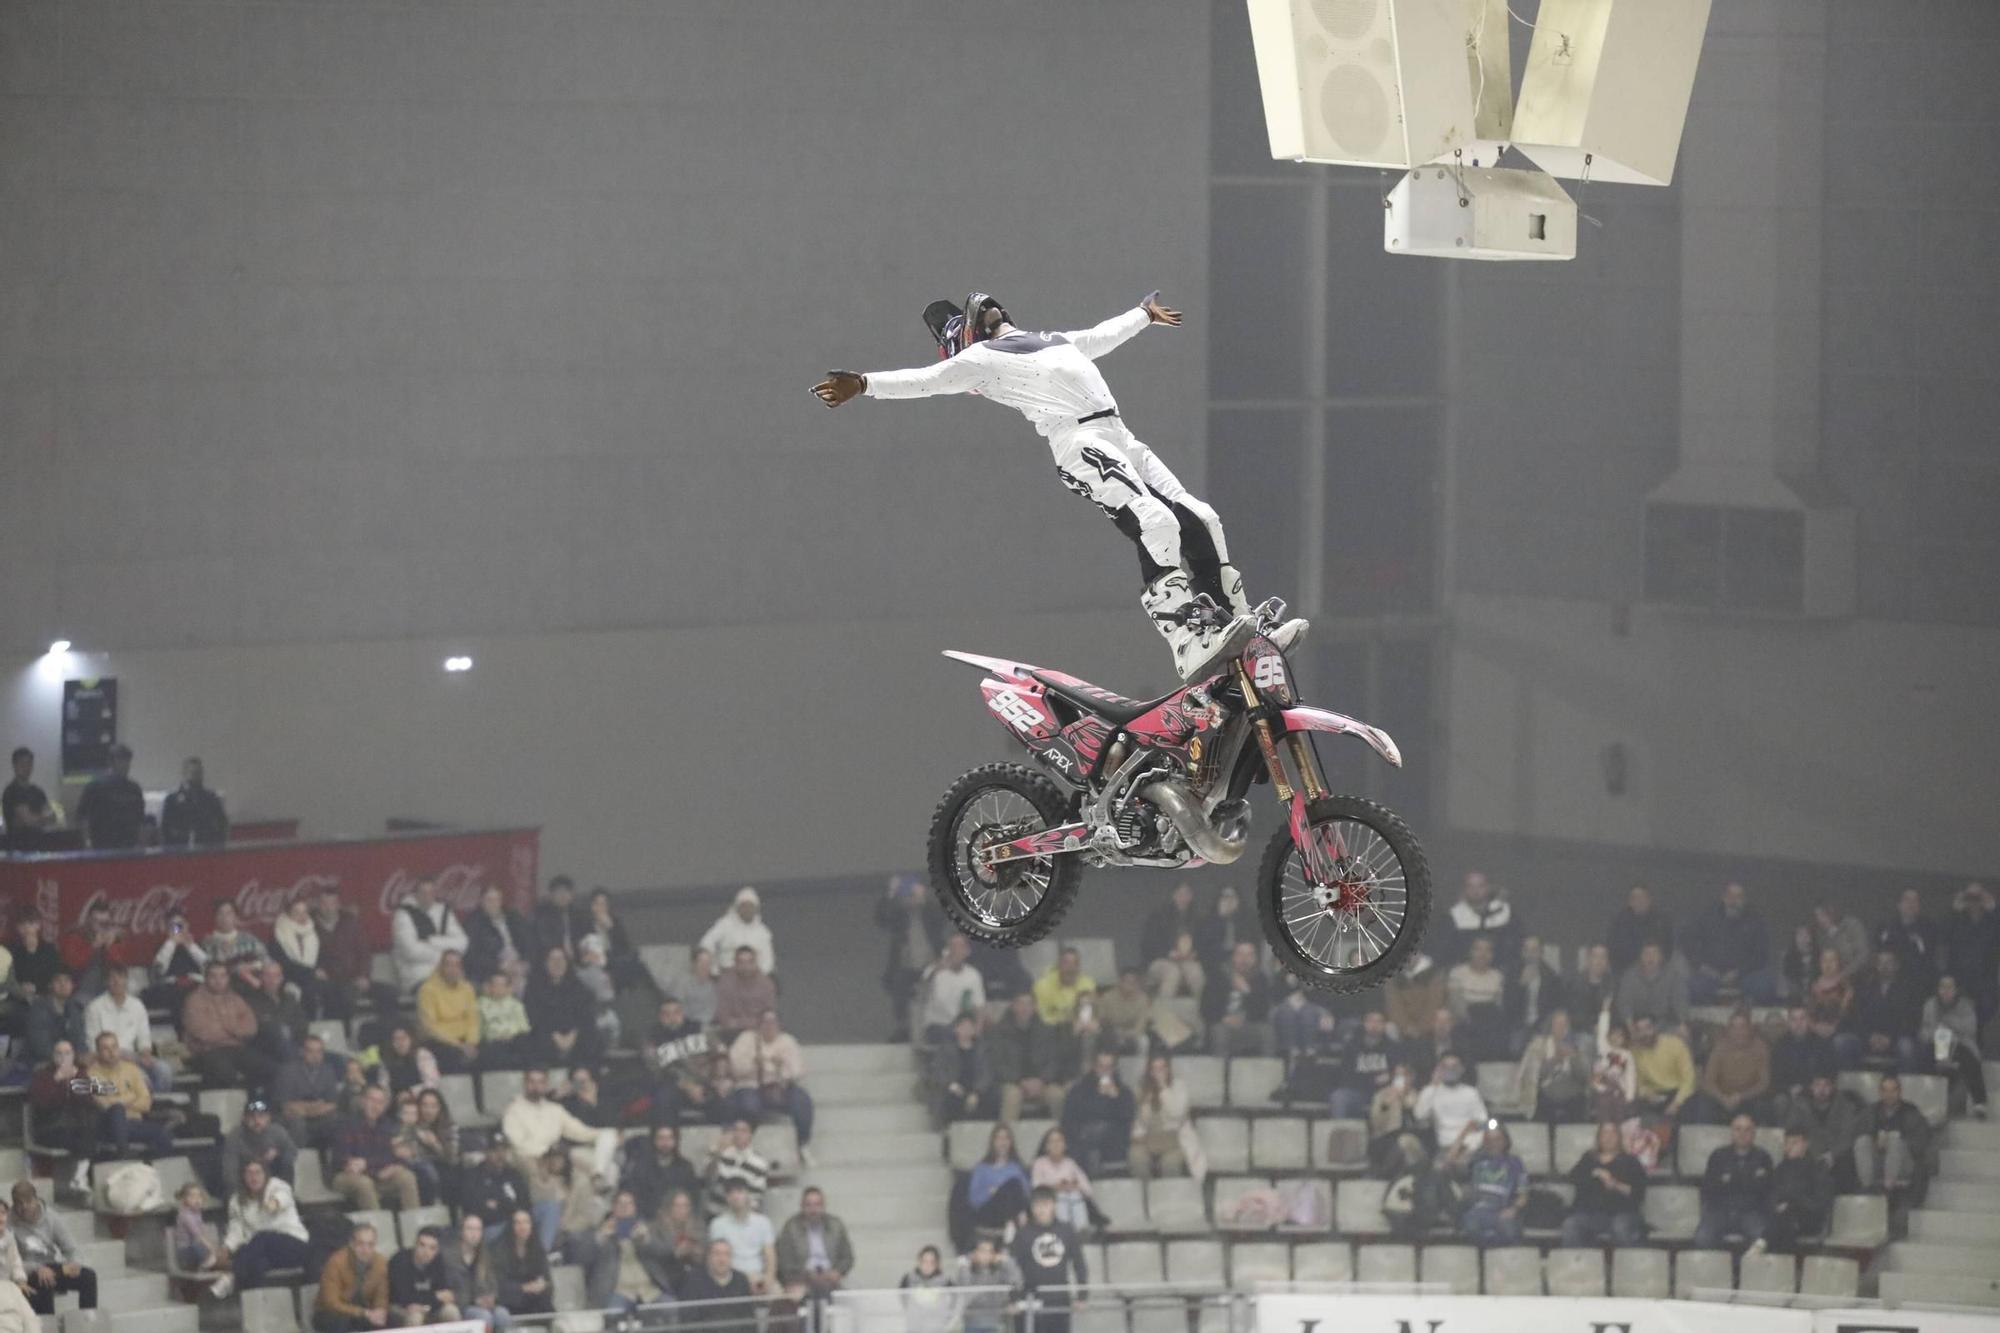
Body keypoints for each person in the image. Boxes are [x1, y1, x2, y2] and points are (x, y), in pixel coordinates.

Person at [814, 291, 1301, 679]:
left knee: (1200, 517)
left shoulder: (1050, 340)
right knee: (1154, 520)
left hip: (1118, 433)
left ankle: (1242, 627)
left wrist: (1141, 315)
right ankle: (1185, 638)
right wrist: (864, 382)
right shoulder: (978, 360)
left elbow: (1098, 337)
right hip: (1079, 440)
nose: (987, 309)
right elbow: (927, 379)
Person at [724, 1009, 816, 1165]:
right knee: (749, 1106)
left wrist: (781, 1067)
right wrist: (753, 1063)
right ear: (758, 1024)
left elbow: (798, 1070)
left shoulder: (787, 1041)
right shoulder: (746, 1039)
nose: (768, 1026)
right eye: (765, 1022)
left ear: (779, 1024)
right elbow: (734, 1067)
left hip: (780, 1087)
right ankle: (745, 1147)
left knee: (803, 1102)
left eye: (772, 1022)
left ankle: (802, 1144)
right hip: (751, 1085)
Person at [501, 1068, 615, 1185]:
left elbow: (579, 1131)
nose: (536, 1086)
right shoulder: (513, 1110)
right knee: (540, 1172)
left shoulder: (554, 1109)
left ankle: (598, 1178)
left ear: (546, 1085)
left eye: (541, 1082)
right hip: (531, 1158)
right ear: (525, 1083)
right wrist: (547, 1154)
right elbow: (517, 1143)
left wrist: (603, 1134)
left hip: (558, 1158)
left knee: (606, 1170)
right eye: (532, 1082)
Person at [179, 960, 277, 1089]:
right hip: (206, 1051)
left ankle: (256, 1105)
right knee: (225, 1073)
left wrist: (226, 1028)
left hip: (237, 1048)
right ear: (206, 978)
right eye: (213, 976)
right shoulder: (194, 1000)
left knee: (271, 1069)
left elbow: (251, 1027)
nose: (218, 980)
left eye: (222, 976)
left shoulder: (236, 999)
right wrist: (235, 1030)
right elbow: (203, 1033)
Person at [1682, 881, 1778, 1004]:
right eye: (1730, 896)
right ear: (1724, 898)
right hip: (1711, 974)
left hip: (1746, 974)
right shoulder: (1707, 918)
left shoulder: (1755, 921)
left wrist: (1739, 972)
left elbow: (1761, 955)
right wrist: (1702, 966)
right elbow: (1688, 942)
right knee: (1693, 987)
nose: (1734, 901)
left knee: (1764, 987)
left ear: (1744, 900)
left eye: (1739, 897)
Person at [875, 875, 946, 1041]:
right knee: (899, 989)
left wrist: (926, 900)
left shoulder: (931, 911)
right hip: (906, 964)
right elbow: (880, 918)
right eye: (907, 896)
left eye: (913, 895)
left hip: (933, 964)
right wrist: (891, 893)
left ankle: (935, 1029)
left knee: (937, 995)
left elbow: (945, 914)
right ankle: (904, 1028)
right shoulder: (899, 916)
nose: (911, 899)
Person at [8, 1182, 96, 1315]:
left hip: (52, 1267)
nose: (24, 1207)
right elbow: (11, 1260)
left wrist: (74, 1263)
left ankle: (87, 1322)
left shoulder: (51, 1217)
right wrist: (37, 1268)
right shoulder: (8, 1222)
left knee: (88, 1277)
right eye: (19, 1203)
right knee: (44, 1279)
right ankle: (49, 1326)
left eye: (28, 1201)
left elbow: (71, 1248)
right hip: (26, 1271)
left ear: (36, 1200)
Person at [1011, 1185, 1089, 1333]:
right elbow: (1013, 1268)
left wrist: (1082, 1295)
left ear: (1053, 1204)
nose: (1041, 1210)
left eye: (1045, 1205)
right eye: (1037, 1205)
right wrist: (1013, 1298)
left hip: (1059, 1298)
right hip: (1029, 1299)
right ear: (1031, 1207)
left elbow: (1079, 1264)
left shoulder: (1066, 1230)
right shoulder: (1022, 1233)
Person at [332, 1083, 422, 1212]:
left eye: (380, 1102)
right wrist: (375, 1167)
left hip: (376, 1173)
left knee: (406, 1177)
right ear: (363, 1101)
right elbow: (344, 1160)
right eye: (371, 1100)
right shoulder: (346, 1124)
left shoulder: (386, 1126)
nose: (375, 1106)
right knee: (364, 1183)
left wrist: (393, 1166)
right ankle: (378, 1229)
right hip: (345, 1175)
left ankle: (414, 1228)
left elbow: (391, 1155)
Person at [989, 992, 1077, 1123]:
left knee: (1057, 1095)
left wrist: (1042, 1080)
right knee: (1012, 1096)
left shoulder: (1047, 1031)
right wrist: (1020, 1082)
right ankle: (1006, 1139)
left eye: (1029, 1004)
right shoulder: (999, 1032)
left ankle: (1061, 1139)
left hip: (1042, 1083)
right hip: (1012, 1083)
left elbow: (1054, 1061)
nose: (1024, 1008)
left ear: (1035, 1007)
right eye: (1020, 1003)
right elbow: (997, 1064)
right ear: (1013, 1006)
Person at [83, 967, 174, 1092]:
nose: (116, 981)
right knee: (142, 1081)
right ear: (106, 982)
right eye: (112, 978)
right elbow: (93, 1044)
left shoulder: (137, 1006)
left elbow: (144, 1039)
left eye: (120, 977)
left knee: (164, 1070)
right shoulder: (94, 1007)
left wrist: (145, 1053)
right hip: (106, 1058)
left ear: (126, 980)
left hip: (133, 1057)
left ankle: (153, 1105)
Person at [224, 1159, 310, 1290]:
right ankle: (253, 1302)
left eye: (258, 1172)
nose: (254, 1177)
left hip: (294, 1245)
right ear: (243, 1176)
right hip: (264, 1253)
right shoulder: (236, 1200)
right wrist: (226, 1248)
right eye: (249, 1173)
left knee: (262, 1238)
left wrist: (274, 1203)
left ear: (265, 1174)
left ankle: (230, 1273)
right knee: (256, 1264)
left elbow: (284, 1196)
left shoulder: (276, 1185)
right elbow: (236, 1230)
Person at [1692, 1114, 1773, 1249]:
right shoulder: (1718, 1156)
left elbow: (1767, 1190)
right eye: (1738, 1129)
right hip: (1720, 1211)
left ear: (1754, 1133)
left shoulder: (1763, 1157)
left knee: (1762, 1238)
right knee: (1702, 1237)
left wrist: (1730, 1182)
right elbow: (1708, 1189)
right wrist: (1746, 1182)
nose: (1742, 1134)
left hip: (1751, 1212)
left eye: (1747, 1130)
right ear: (1731, 1132)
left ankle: (1750, 1269)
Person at [1559, 1122, 1647, 1247]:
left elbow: (1638, 1193)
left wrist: (1615, 1184)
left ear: (1619, 1137)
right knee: (1571, 1225)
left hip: (1622, 1213)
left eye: (1612, 1133)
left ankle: (1625, 1264)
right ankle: (1579, 1265)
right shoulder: (1589, 1158)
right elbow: (1573, 1177)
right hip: (1590, 1213)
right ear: (1599, 1137)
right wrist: (1594, 1173)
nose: (1608, 1137)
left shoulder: (1630, 1161)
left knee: (1620, 1227)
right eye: (1605, 1133)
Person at [27, 1041, 98, 1192]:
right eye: (59, 1053)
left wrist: (74, 1081)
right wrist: (57, 1080)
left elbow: (88, 1102)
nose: (63, 1057)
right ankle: (80, 1178)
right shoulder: (42, 1075)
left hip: (75, 1126)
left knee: (92, 1134)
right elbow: (42, 1104)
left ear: (73, 1056)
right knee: (82, 1138)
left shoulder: (81, 1073)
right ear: (53, 1056)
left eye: (67, 1053)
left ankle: (80, 1178)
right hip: (48, 1128)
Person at [1853, 1073, 1933, 1201]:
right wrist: (1876, 1142)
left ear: (1900, 1092)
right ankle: (1866, 1188)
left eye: (1893, 1090)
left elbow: (1922, 1142)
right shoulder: (1871, 1111)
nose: (1889, 1094)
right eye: (1885, 1090)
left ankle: (1888, 1189)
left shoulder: (1911, 1112)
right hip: (1877, 1162)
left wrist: (1898, 1139)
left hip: (1904, 1164)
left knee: (1895, 1139)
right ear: (1880, 1092)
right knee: (1862, 1140)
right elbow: (1856, 1133)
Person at [1685, 1010, 1772, 1124]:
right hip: (1721, 1098)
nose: (1738, 1031)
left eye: (1742, 1027)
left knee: (1764, 1106)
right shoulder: (1720, 1048)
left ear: (1750, 1028)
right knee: (1702, 1103)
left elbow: (1764, 1083)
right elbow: (1708, 1081)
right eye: (1734, 1027)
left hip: (1748, 1099)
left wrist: (1741, 1097)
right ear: (1729, 1030)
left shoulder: (1760, 1048)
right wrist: (1723, 1098)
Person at [1841, 949, 1923, 1070]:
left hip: (1896, 1038)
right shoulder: (1865, 987)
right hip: (1868, 1038)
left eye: (1888, 962)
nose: (1884, 966)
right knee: (1842, 1042)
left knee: (1907, 1047)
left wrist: (1890, 1038)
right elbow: (1857, 1017)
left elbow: (1912, 1020)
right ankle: (1849, 1087)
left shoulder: (1908, 989)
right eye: (1880, 962)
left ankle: (1905, 1087)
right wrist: (1869, 1037)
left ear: (1897, 965)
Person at [1785, 1073, 1868, 1192]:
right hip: (1809, 1154)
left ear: (1833, 1087)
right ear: (1811, 1087)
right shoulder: (1800, 1105)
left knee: (1846, 1165)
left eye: (1826, 1085)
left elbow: (1848, 1136)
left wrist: (1831, 1155)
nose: (1822, 1089)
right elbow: (1792, 1131)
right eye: (1817, 1085)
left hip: (1838, 1157)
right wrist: (1815, 1154)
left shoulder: (1846, 1105)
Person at [775, 1186, 853, 1310]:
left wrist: (838, 1272)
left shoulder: (836, 1225)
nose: (813, 1210)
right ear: (801, 1206)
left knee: (849, 1301)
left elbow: (847, 1257)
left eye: (817, 1205)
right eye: (808, 1205)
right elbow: (785, 1262)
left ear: (824, 1206)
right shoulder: (791, 1227)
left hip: (830, 1278)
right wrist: (806, 1276)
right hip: (803, 1280)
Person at [525, 945, 602, 1069]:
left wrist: (573, 1034)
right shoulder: (533, 989)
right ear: (544, 963)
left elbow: (585, 1016)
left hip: (575, 1036)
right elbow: (535, 1018)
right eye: (552, 960)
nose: (557, 964)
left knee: (593, 1036)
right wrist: (555, 1036)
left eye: (561, 959)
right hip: (547, 1036)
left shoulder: (579, 988)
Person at [645, 996, 718, 1124]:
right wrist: (687, 1085)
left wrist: (720, 1078)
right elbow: (656, 1068)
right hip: (673, 1085)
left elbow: (719, 1052)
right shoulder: (652, 1036)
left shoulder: (698, 1029)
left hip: (703, 1081)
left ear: (683, 1013)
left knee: (723, 1098)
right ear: (661, 1017)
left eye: (676, 1012)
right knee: (664, 1098)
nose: (673, 1018)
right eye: (667, 1014)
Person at [1060, 1049, 1134, 1176]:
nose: (1104, 1071)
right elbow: (1069, 1119)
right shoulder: (1079, 1090)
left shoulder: (1124, 1092)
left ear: (1114, 1068)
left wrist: (1116, 1098)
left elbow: (1127, 1119)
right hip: (1081, 1137)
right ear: (1094, 1067)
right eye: (1101, 1066)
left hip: (1113, 1141)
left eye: (1109, 1067)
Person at [1922, 974, 1987, 1117]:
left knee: (1969, 1058)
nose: (1945, 990)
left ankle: (1979, 1102)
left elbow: (1970, 1029)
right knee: (1922, 1054)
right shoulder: (1930, 1005)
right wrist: (1939, 1034)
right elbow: (1925, 1031)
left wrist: (1949, 1023)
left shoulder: (1966, 1006)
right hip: (1934, 1045)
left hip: (1960, 1045)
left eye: (1949, 987)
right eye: (1942, 987)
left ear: (1956, 989)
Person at [392, 879, 470, 993]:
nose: (427, 896)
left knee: (468, 990)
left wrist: (432, 941)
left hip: (448, 975)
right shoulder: (403, 914)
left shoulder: (444, 911)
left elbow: (463, 943)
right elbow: (411, 951)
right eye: (423, 892)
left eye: (431, 892)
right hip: (418, 977)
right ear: (415, 894)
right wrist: (447, 957)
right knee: (441, 992)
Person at [1764, 1127, 1835, 1252]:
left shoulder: (1817, 1169)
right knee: (1779, 1222)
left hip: (1809, 1218)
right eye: (1787, 1143)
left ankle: (1763, 1253)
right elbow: (1771, 1194)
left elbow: (1820, 1204)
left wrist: (1792, 1203)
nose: (1790, 1146)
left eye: (1795, 1142)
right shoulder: (1780, 1169)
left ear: (1805, 1144)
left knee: (1782, 1222)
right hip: (1783, 1217)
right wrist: (1776, 1206)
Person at [1455, 1123, 1527, 1245]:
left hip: (1502, 1210)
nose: (1493, 1143)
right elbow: (1451, 1163)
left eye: (1497, 1139)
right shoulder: (1476, 1160)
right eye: (1488, 1140)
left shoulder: (1515, 1163)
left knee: (1508, 1229)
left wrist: (1514, 1209)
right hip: (1477, 1211)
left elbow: (1523, 1194)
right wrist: (1463, 1135)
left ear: (1505, 1141)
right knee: (1470, 1226)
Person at [313, 1222, 391, 1333]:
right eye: (361, 1244)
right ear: (351, 1244)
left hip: (363, 1311)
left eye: (370, 1245)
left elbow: (382, 1295)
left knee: (391, 1318)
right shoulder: (336, 1262)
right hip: (330, 1313)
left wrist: (379, 1310)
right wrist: (363, 1312)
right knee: (342, 1322)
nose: (365, 1250)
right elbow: (331, 1303)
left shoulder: (380, 1263)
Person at [1514, 1008, 1589, 1122]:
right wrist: (1555, 1060)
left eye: (1565, 1024)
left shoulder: (1578, 1045)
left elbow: (1584, 1077)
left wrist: (1574, 1058)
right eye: (1558, 1024)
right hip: (1546, 1094)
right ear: (1550, 1026)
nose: (1561, 1028)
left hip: (1573, 1096)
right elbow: (1533, 1077)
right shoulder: (1538, 1045)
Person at [273, 1033, 346, 1150]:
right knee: (297, 1122)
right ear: (303, 1052)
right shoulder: (288, 1071)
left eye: (319, 1051)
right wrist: (315, 1107)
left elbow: (332, 1103)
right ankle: (298, 1160)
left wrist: (310, 1110)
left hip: (317, 1116)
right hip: (290, 1116)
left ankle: (332, 1161)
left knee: (338, 1119)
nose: (315, 1056)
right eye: (311, 1051)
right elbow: (285, 1104)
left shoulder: (328, 1071)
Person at [60, 904, 148, 1001]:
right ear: (89, 921)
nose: (100, 925)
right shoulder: (76, 936)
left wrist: (109, 947)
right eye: (96, 921)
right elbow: (72, 964)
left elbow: (119, 967)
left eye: (104, 923)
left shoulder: (115, 938)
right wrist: (93, 946)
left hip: (110, 991)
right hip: (83, 990)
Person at [1130, 1054, 1196, 1181]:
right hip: (1150, 1138)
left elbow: (1177, 1113)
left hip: (1175, 1139)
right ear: (1149, 1072)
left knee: (1170, 1163)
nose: (1159, 1073)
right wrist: (1146, 1102)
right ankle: (1145, 1193)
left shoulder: (1179, 1087)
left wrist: (1163, 1089)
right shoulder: (1142, 1089)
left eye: (1162, 1068)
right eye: (1155, 1069)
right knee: (1136, 1157)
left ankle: (1168, 1196)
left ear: (1168, 1069)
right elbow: (1141, 1121)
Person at [314, 887, 377, 1021]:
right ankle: (345, 1036)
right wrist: (315, 969)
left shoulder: (350, 922)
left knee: (389, 993)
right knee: (343, 997)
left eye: (332, 904)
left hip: (354, 978)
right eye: (324, 904)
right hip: (328, 981)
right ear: (318, 905)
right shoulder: (310, 925)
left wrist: (364, 975)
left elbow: (365, 953)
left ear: (338, 905)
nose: (328, 908)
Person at [1203, 940, 1273, 1056]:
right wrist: (1223, 1018)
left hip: (1249, 1025)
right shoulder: (1218, 977)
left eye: (1249, 955)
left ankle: (1266, 1072)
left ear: (1255, 958)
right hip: (1222, 1024)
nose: (1244, 959)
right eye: (1240, 954)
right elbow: (1205, 1007)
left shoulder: (1261, 979)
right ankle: (1221, 1072)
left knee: (1267, 1032)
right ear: (1233, 957)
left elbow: (1263, 1011)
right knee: (1219, 1032)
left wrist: (1247, 991)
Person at [1439, 872, 1522, 968]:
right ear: (1464, 889)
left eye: (1480, 886)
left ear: (1488, 887)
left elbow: (1518, 945)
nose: (1475, 891)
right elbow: (1445, 952)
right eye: (1470, 886)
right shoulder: (1454, 916)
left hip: (1501, 971)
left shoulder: (1505, 912)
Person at [963, 1125, 1031, 1242]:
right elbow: (974, 1199)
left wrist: (1000, 1189)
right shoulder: (982, 1168)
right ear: (993, 1142)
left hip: (1013, 1208)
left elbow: (1025, 1192)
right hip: (989, 1211)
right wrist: (990, 1192)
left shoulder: (1016, 1167)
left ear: (1011, 1142)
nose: (1002, 1142)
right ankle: (1011, 1222)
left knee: (1013, 1184)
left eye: (1006, 1138)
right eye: (999, 1138)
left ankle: (1011, 1222)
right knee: (1012, 1184)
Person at [1944, 883, 2000, 1025]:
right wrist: (1954, 911)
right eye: (1970, 897)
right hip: (1961, 980)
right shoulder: (1958, 920)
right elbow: (1944, 936)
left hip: (1985, 982)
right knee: (1957, 1020)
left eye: (1978, 897)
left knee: (1983, 1020)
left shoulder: (1991, 921)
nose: (1974, 901)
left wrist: (1994, 909)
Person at [707, 1179, 776, 1294]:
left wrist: (768, 1280)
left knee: (781, 1298)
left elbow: (770, 1257)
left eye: (739, 1191)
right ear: (726, 1198)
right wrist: (744, 1280)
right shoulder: (717, 1224)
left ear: (748, 1195)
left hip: (760, 1277)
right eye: (730, 1193)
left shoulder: (763, 1222)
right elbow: (716, 1259)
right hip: (730, 1279)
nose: (735, 1196)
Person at [416, 950, 481, 1072]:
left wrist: (471, 1042)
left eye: (457, 965)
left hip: (465, 1040)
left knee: (489, 1053)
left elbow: (473, 1020)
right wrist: (459, 1045)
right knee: (453, 1057)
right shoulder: (427, 990)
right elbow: (430, 1027)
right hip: (440, 1041)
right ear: (441, 967)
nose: (453, 969)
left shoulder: (467, 988)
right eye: (448, 964)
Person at [915, 935, 987, 1045]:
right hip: (937, 1026)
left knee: (978, 1041)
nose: (956, 951)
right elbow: (920, 994)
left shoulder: (973, 975)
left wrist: (977, 1031)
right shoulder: (935, 972)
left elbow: (979, 1007)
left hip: (964, 1026)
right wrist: (937, 969)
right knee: (953, 1038)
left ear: (967, 951)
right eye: (953, 947)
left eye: (960, 947)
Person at [1445, 937, 1508, 1062]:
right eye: (1478, 949)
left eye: (1487, 950)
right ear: (1470, 952)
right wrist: (1470, 1020)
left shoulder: (1498, 976)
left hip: (1489, 1021)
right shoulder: (1457, 973)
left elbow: (1498, 1005)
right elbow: (1456, 1003)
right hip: (1465, 1020)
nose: (1482, 954)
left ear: (1492, 955)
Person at [463, 884, 537, 989]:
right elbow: (472, 956)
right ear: (481, 902)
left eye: (496, 900)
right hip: (493, 970)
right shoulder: (474, 923)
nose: (493, 904)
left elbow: (530, 942)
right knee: (516, 986)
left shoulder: (513, 916)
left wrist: (526, 962)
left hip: (519, 965)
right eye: (489, 900)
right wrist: (499, 965)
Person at [439, 1214, 505, 1329]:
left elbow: (493, 1284)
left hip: (482, 1304)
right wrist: (475, 1300)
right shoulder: (447, 1257)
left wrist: (491, 1298)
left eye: (478, 1229)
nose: (474, 1233)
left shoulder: (485, 1256)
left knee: (503, 1314)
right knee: (484, 1317)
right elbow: (447, 1289)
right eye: (470, 1229)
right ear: (461, 1231)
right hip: (460, 1306)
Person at [1413, 1054, 1487, 1157]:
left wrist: (1461, 1140)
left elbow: (1482, 1121)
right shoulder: (1429, 1091)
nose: (1450, 1070)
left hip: (1472, 1145)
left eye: (1454, 1066)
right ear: (1439, 1069)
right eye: (1446, 1066)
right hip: (1446, 1146)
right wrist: (1433, 1086)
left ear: (1462, 1069)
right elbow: (1419, 1116)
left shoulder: (1471, 1092)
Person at [1141, 882, 1205, 999]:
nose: (1183, 897)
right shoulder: (1159, 915)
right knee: (1172, 972)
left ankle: (1204, 1012)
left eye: (1187, 894)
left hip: (1187, 961)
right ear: (1173, 895)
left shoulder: (1197, 918)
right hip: (1160, 961)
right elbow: (1148, 945)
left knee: (1196, 972)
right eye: (1180, 894)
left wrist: (1196, 953)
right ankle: (1162, 1013)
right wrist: (1168, 953)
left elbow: (1203, 944)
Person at [623, 1124, 701, 1220]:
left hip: (677, 1224)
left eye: (669, 1138)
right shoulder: (641, 1168)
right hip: (647, 1223)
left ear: (676, 1141)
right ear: (654, 1140)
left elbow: (694, 1201)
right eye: (661, 1138)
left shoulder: (686, 1168)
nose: (665, 1143)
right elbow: (634, 1200)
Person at [930, 1013, 995, 1125]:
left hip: (976, 1090)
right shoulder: (946, 1049)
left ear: (974, 1030)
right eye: (963, 1027)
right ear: (956, 1029)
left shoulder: (982, 1049)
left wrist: (977, 1092)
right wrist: (951, 1085)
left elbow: (987, 1073)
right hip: (954, 1089)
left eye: (970, 1027)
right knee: (950, 1101)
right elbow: (938, 1071)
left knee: (992, 1098)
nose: (966, 1030)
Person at [271, 898, 329, 1020]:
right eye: (297, 912)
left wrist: (320, 969)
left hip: (312, 979)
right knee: (306, 992)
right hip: (288, 979)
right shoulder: (278, 934)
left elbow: (322, 957)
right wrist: (312, 973)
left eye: (304, 912)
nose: (302, 916)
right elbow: (285, 965)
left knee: (334, 991)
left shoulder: (314, 932)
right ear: (288, 915)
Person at [76, 744, 144, 849]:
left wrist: (140, 841)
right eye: (121, 760)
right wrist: (87, 841)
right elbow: (82, 816)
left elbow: (139, 818)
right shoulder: (95, 786)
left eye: (127, 761)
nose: (126, 765)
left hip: (129, 844)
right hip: (102, 844)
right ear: (111, 762)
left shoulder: (134, 788)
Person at [387, 1226, 457, 1327]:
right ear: (415, 1244)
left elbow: (446, 1294)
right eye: (422, 1245)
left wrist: (428, 1304)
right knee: (415, 1317)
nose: (426, 1251)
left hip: (428, 1306)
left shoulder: (439, 1261)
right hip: (400, 1307)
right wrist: (435, 1297)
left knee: (451, 1311)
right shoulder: (399, 1260)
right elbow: (403, 1297)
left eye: (432, 1248)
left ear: (437, 1250)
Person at [222, 1096, 298, 1189]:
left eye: (261, 1116)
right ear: (244, 1118)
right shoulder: (234, 1136)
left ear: (269, 1118)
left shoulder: (277, 1131)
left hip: (272, 1179)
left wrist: (278, 1153)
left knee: (286, 1164)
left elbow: (292, 1152)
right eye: (252, 1117)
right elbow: (229, 1170)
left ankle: (285, 1195)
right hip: (244, 1182)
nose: (257, 1121)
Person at [1628, 1015, 1696, 1118]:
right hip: (1654, 1095)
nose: (1645, 1034)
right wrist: (1647, 1094)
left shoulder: (1675, 1044)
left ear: (1655, 1028)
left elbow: (1689, 1080)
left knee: (1688, 1110)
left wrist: (1676, 1103)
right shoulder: (1635, 1052)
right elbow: (1638, 1083)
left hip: (1678, 1093)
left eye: (1648, 1028)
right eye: (1640, 1030)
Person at [677, 1239, 754, 1331]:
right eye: (717, 1254)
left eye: (726, 1254)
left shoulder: (741, 1280)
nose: (722, 1259)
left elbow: (749, 1319)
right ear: (708, 1257)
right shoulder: (693, 1280)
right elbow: (688, 1321)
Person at [950, 1235, 1022, 1333]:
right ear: (975, 1252)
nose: (986, 1255)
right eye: (983, 1251)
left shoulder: (1000, 1271)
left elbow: (1017, 1282)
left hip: (997, 1323)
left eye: (990, 1251)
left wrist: (1006, 1261)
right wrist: (965, 1266)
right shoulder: (967, 1271)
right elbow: (964, 1290)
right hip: (972, 1323)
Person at [464, 1132, 533, 1232]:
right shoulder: (474, 1175)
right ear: (486, 1152)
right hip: (489, 1229)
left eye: (503, 1150)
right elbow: (473, 1208)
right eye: (495, 1150)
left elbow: (526, 1205)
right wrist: (508, 1206)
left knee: (548, 1208)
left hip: (516, 1225)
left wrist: (499, 1204)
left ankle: (542, 1247)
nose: (500, 1155)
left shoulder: (513, 1174)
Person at [174, 1181, 233, 1298]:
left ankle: (212, 1264)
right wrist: (212, 1249)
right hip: (186, 1253)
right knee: (198, 1247)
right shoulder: (184, 1215)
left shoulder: (197, 1213)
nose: (197, 1199)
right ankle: (212, 1263)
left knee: (212, 1250)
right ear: (184, 1199)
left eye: (199, 1196)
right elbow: (198, 1236)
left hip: (199, 1251)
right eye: (192, 1196)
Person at [491, 1210, 554, 1320]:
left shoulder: (538, 1248)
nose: (522, 1226)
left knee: (545, 1303)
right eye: (518, 1223)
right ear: (511, 1226)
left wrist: (542, 1285)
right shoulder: (499, 1249)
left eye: (526, 1222)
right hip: (510, 1301)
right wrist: (523, 1288)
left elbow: (547, 1280)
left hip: (534, 1300)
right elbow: (498, 1284)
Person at [1030, 1128, 1096, 1234]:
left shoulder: (1070, 1164)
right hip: (1049, 1205)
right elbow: (1036, 1187)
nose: (1056, 1144)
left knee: (1074, 1195)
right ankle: (1064, 1232)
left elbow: (1088, 1190)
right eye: (1052, 1141)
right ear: (1046, 1146)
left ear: (1065, 1145)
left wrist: (1074, 1187)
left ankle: (1081, 1231)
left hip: (1073, 1202)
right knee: (1062, 1196)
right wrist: (1057, 1187)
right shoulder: (1039, 1163)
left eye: (1059, 1141)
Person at [701, 886, 777, 977]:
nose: (747, 909)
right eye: (744, 906)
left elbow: (768, 960)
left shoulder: (763, 932)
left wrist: (759, 977)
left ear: (756, 909)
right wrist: (714, 970)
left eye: (750, 906)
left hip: (754, 978)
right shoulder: (724, 925)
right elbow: (706, 944)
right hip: (726, 976)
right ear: (737, 907)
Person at [1876, 888, 1942, 992]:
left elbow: (1929, 955)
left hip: (1920, 982)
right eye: (1907, 900)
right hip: (1895, 982)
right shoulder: (1888, 927)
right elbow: (1881, 952)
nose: (1911, 904)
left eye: (1915, 901)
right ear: (1899, 905)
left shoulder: (1929, 927)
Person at [703, 1118, 773, 1214]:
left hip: (743, 1218)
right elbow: (708, 1180)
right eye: (735, 1130)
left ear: (751, 1135)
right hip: (716, 1213)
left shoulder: (760, 1163)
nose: (738, 1134)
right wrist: (717, 1153)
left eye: (743, 1131)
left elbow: (756, 1198)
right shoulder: (720, 1154)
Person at [1615, 942, 1689, 1031]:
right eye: (1646, 954)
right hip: (1636, 1026)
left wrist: (1683, 1024)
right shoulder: (1629, 976)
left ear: (1661, 957)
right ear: (1640, 957)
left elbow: (1680, 1002)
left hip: (1665, 1026)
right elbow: (1624, 1004)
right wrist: (1631, 1027)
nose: (1650, 957)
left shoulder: (1673, 977)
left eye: (1654, 953)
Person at [1507, 935, 1568, 1045]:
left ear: (1541, 953)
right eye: (1527, 950)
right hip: (1519, 1026)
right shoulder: (1512, 973)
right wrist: (1521, 986)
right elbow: (1508, 1008)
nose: (1530, 954)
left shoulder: (1551, 976)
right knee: (1516, 1047)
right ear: (1522, 952)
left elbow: (1556, 1007)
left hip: (1542, 1026)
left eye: (1534, 950)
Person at [713, 945, 779, 1044]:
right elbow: (723, 1018)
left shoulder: (766, 984)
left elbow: (769, 1017)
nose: (746, 967)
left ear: (756, 962)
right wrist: (752, 1022)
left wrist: (739, 1022)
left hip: (759, 1033)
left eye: (750, 962)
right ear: (735, 963)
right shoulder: (724, 983)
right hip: (730, 1034)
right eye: (741, 962)